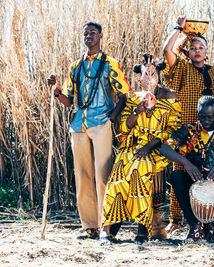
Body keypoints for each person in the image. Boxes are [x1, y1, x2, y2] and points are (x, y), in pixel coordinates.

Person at [163, 15, 214, 235]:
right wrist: (179, 28)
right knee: (181, 170)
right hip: (189, 128)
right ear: (187, 52)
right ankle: (177, 219)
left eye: (201, 47)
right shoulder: (182, 69)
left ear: (207, 52)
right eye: (193, 47)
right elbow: (167, 51)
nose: (198, 51)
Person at [47, 22, 131, 239]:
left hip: (101, 123)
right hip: (78, 126)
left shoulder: (111, 64)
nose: (89, 36)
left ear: (100, 36)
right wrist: (55, 91)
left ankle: (107, 228)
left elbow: (124, 95)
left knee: (103, 175)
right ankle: (89, 227)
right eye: (85, 34)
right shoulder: (75, 66)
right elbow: (68, 100)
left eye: (92, 33)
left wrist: (112, 116)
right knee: (83, 176)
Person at [100, 54, 182, 245]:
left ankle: (142, 229)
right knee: (117, 176)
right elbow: (123, 129)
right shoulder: (132, 99)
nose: (149, 78)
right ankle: (107, 229)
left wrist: (150, 145)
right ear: (139, 77)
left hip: (155, 148)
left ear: (159, 77)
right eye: (145, 74)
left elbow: (172, 129)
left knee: (140, 169)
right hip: (131, 147)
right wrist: (138, 111)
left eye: (153, 74)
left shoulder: (170, 98)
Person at [160, 96, 214, 244]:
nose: (206, 120)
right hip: (195, 180)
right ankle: (195, 226)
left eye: (210, 117)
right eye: (202, 116)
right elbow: (165, 148)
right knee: (176, 176)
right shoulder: (188, 129)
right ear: (197, 113)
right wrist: (186, 163)